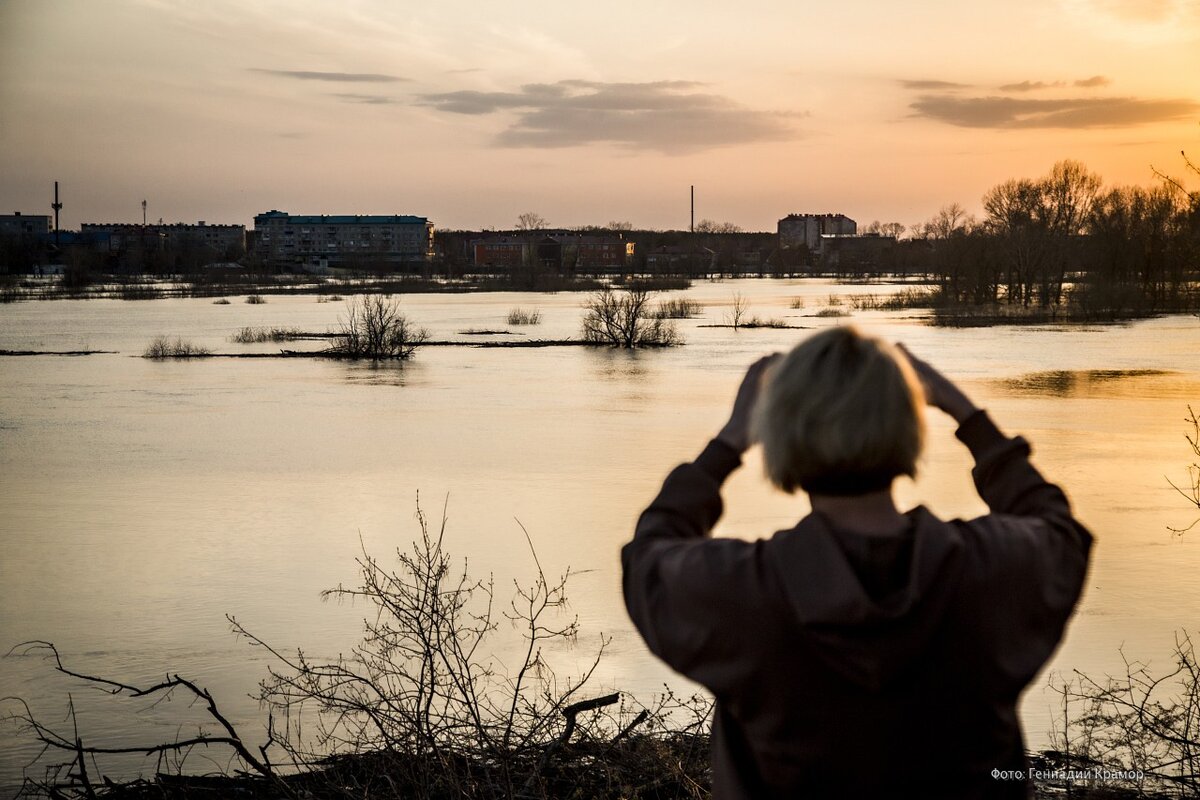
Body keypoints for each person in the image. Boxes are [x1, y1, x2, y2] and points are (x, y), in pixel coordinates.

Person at [621, 326, 1092, 798]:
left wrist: (727, 444)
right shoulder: (990, 572)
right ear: (909, 433)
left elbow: (648, 557)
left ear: (779, 437)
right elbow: (1056, 526)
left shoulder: (745, 593)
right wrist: (965, 414)